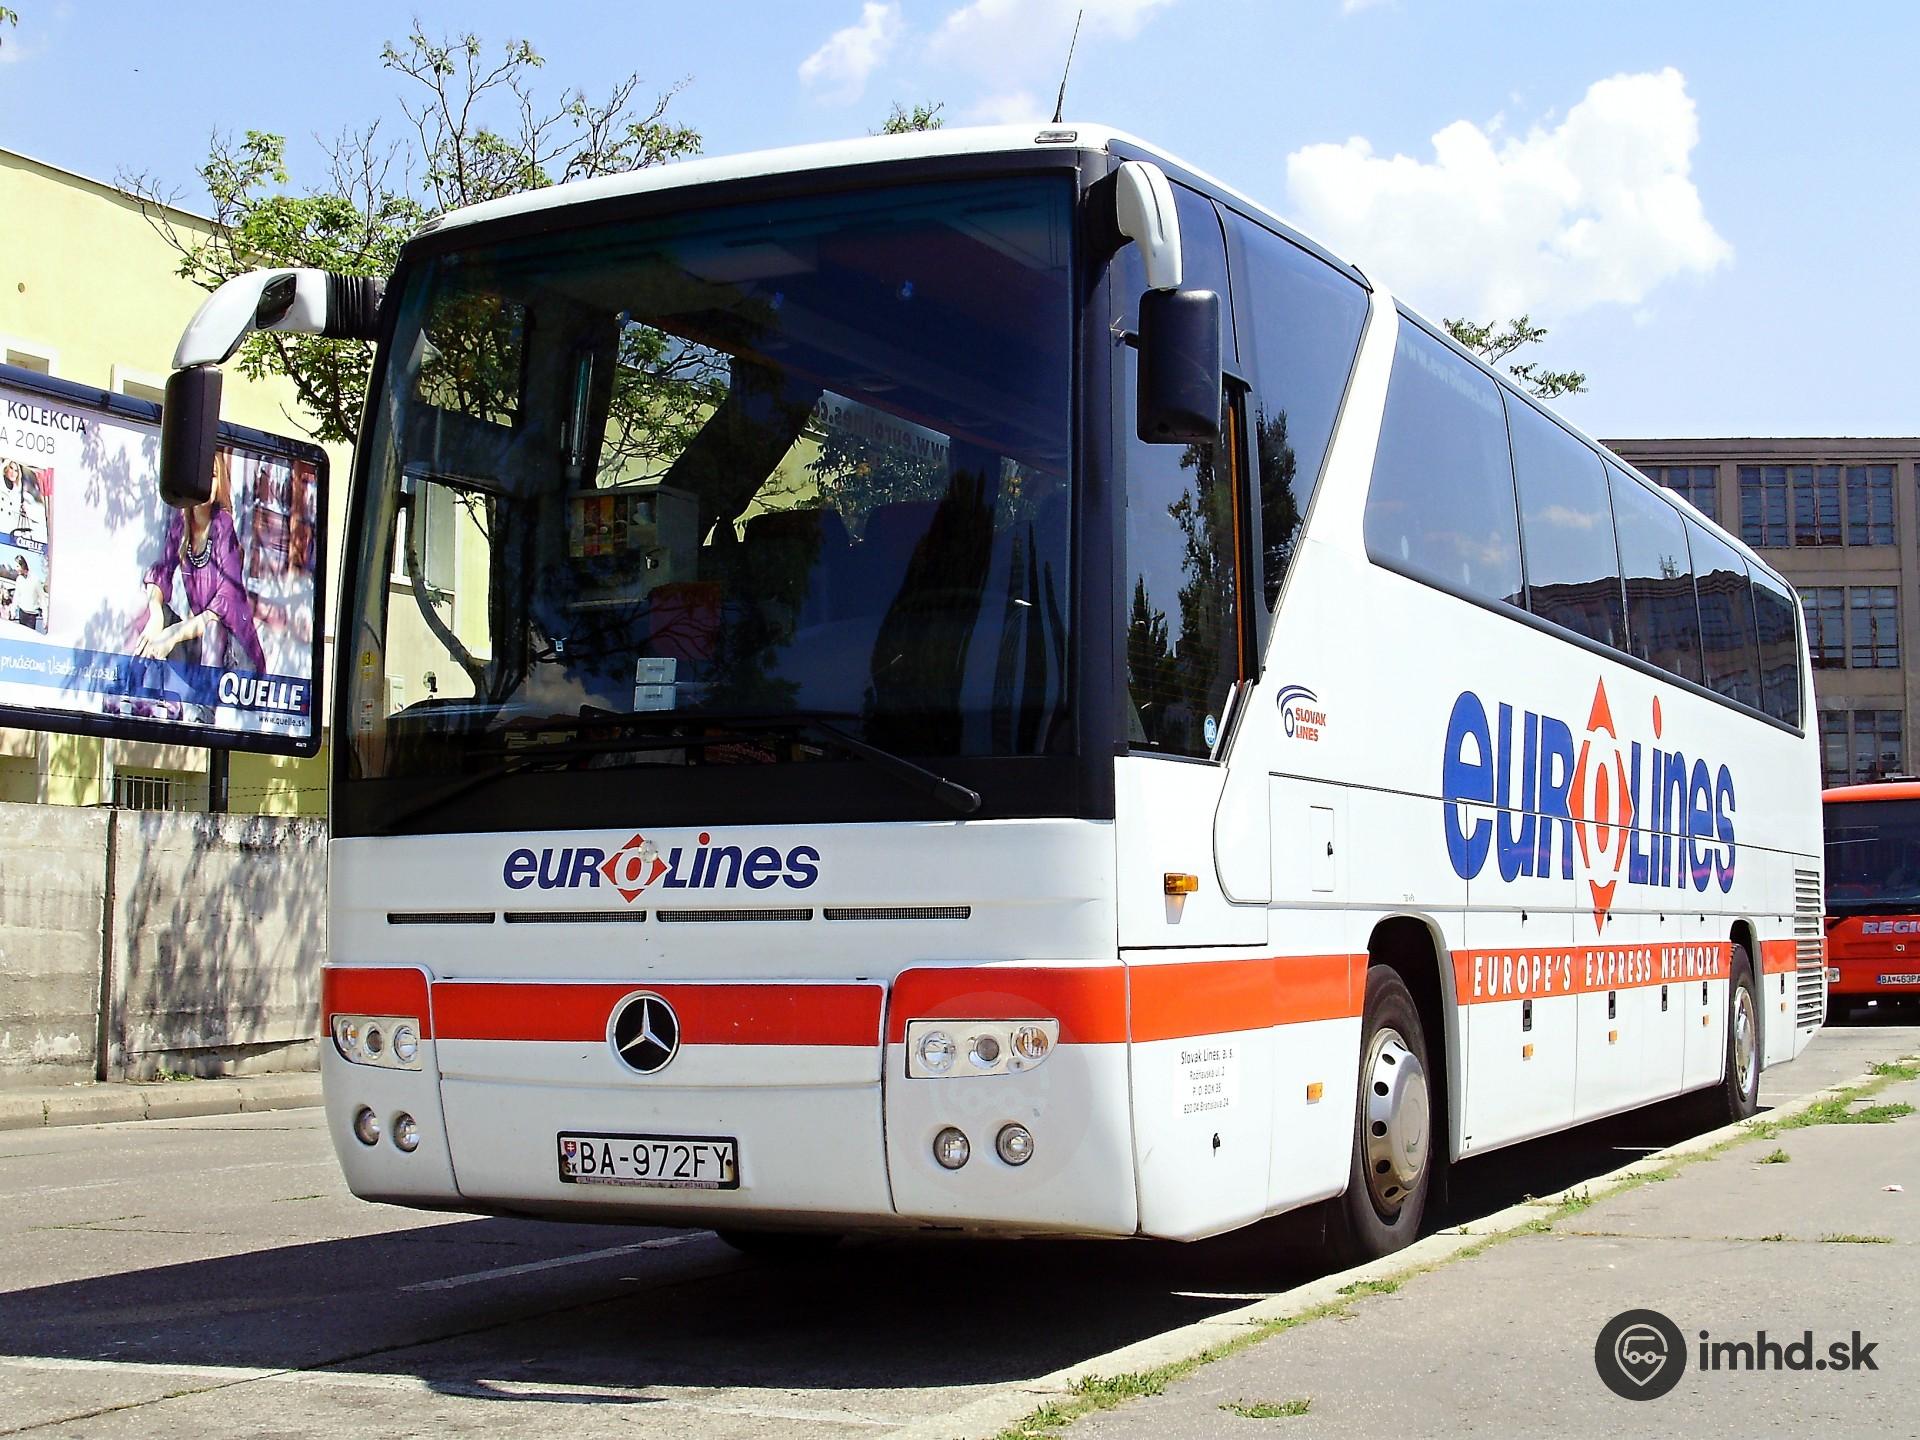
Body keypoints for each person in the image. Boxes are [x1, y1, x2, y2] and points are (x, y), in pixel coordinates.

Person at [135, 458, 267, 671]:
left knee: (213, 628)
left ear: (219, 483)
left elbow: (224, 602)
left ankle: (201, 695)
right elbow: (162, 571)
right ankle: (132, 683)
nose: (204, 484)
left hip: (237, 658)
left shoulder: (223, 524)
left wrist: (174, 633)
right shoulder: (181, 524)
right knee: (143, 607)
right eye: (198, 476)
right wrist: (156, 614)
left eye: (211, 476)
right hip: (203, 647)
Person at [11, 556, 46, 632]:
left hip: (31, 616)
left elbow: (42, 599)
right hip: (22, 612)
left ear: (23, 565)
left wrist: (45, 618)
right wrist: (13, 610)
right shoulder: (19, 579)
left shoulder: (35, 580)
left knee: (29, 635)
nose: (16, 569)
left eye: (17, 566)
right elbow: (16, 596)